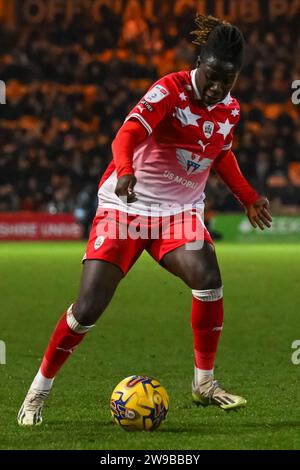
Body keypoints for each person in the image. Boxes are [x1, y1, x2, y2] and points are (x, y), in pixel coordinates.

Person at [18, 14, 272, 426]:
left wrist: (247, 197)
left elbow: (220, 153)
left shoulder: (230, 109)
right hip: (127, 207)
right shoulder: (169, 90)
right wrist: (124, 171)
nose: (217, 87)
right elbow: (126, 135)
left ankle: (204, 384)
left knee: (208, 278)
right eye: (211, 76)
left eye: (228, 80)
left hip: (179, 215)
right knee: (88, 308)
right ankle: (38, 390)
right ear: (199, 64)